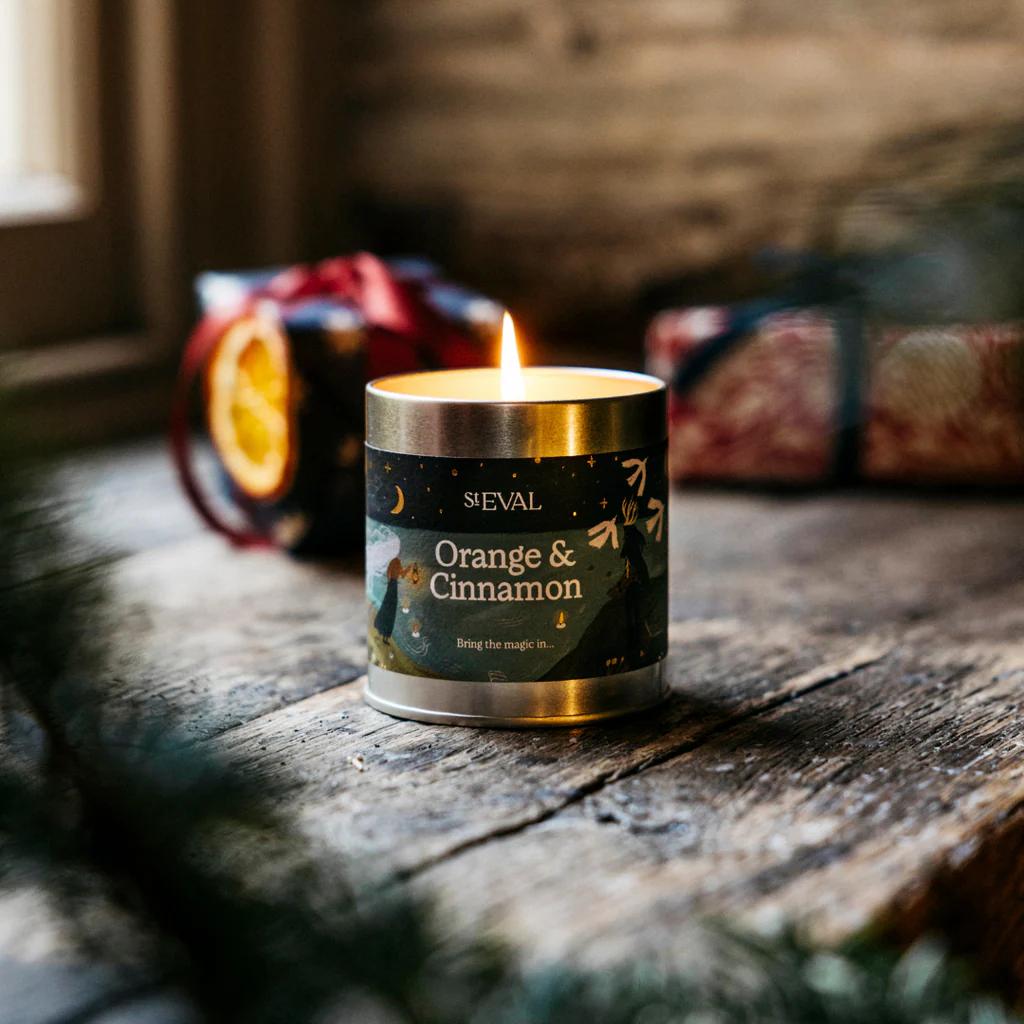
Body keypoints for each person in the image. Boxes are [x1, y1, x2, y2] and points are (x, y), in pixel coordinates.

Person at [374, 556, 412, 643]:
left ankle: (385, 635)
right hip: (392, 585)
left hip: (393, 585)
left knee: (390, 610)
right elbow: (395, 573)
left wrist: (409, 568)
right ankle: (384, 634)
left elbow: (401, 574)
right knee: (390, 610)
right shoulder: (395, 561)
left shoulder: (397, 562)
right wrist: (390, 582)